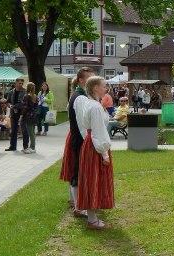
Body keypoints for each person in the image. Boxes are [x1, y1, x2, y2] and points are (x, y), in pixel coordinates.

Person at [75, 76, 114, 230]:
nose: (106, 88)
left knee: (90, 178)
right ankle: (92, 220)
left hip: (90, 144)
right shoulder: (95, 106)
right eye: (104, 86)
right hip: (95, 146)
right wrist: (104, 152)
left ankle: (92, 216)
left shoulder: (89, 103)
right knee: (93, 179)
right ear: (95, 88)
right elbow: (98, 132)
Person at [60, 67, 94, 218]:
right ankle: (79, 207)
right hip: (79, 139)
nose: (92, 80)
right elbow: (82, 124)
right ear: (81, 80)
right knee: (78, 172)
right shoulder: (80, 97)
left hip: (77, 138)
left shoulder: (81, 95)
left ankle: (75, 202)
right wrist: (88, 141)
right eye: (89, 78)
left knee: (76, 170)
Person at [5, 78, 27, 152]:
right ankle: (12, 146)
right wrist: (10, 106)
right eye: (19, 83)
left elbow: (25, 103)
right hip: (13, 113)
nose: (21, 84)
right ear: (16, 83)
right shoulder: (11, 92)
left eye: (22, 83)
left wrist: (17, 106)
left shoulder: (25, 91)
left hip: (22, 113)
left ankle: (25, 147)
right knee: (13, 130)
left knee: (24, 130)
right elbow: (7, 102)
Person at [21, 82, 38, 154]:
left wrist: (22, 115)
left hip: (28, 116)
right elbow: (36, 106)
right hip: (34, 115)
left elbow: (25, 107)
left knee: (30, 132)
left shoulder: (27, 96)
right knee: (32, 132)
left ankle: (32, 147)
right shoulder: (35, 96)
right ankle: (32, 146)